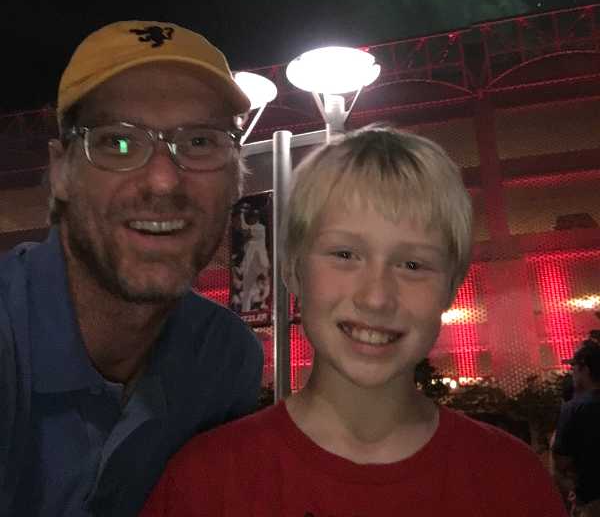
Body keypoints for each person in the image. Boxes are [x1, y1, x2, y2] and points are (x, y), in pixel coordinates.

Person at [140, 125, 566, 517]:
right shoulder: (206, 485)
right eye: (345, 255)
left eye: (413, 264)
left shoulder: (512, 483)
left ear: (451, 287)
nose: (376, 297)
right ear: (292, 270)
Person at [0, 20, 263, 517]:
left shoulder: (223, 359)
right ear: (61, 172)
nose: (163, 180)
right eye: (117, 142)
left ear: (236, 177)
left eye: (200, 142)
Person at [552, 340, 600, 516]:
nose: (572, 373)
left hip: (593, 500)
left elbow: (561, 462)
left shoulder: (575, 408)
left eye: (574, 368)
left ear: (584, 369)